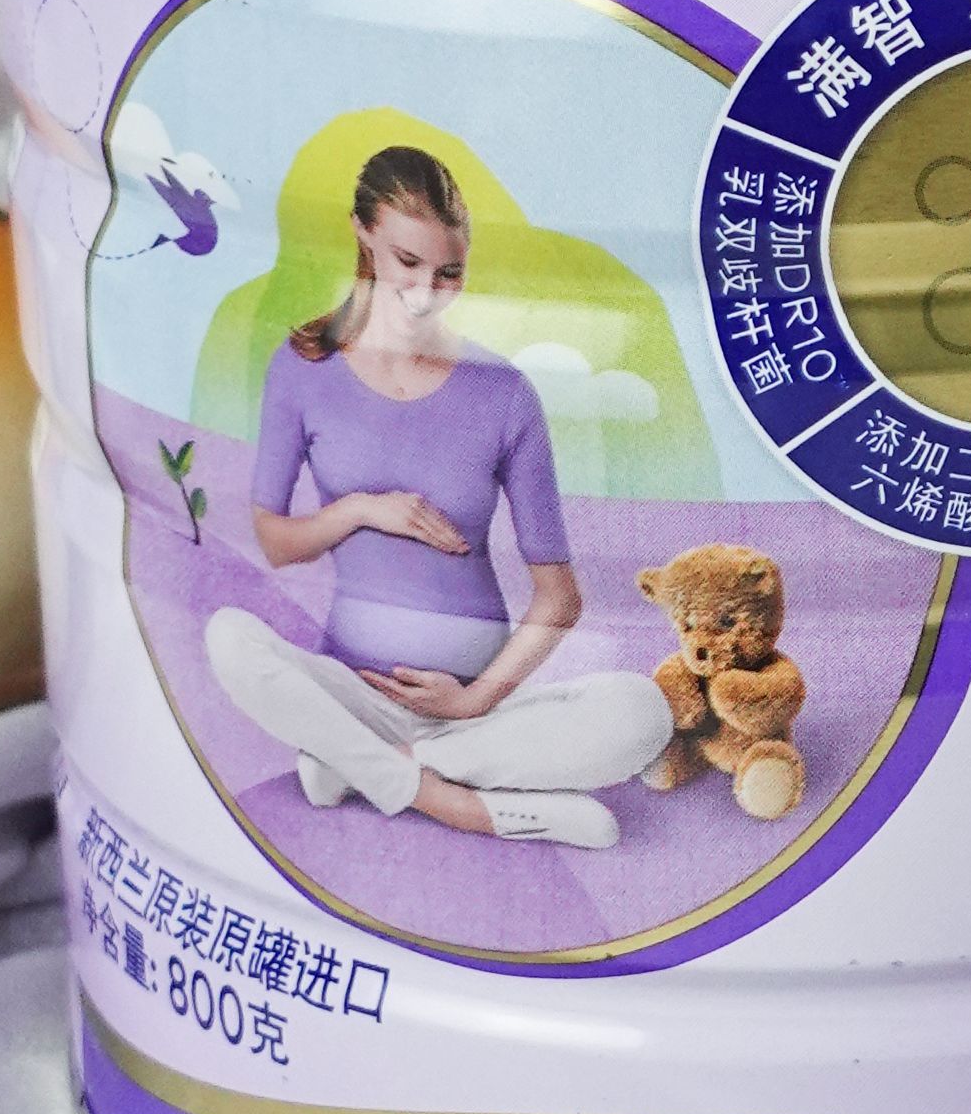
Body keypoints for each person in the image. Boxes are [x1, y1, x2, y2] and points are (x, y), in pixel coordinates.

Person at [198, 145, 669, 851]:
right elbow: (275, 541)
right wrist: (363, 509)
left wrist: (474, 699)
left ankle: (366, 769)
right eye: (407, 263)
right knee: (228, 637)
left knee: (641, 710)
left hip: (476, 711)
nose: (426, 290)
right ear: (363, 235)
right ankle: (457, 804)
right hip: (352, 693)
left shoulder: (503, 392)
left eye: (449, 272)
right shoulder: (304, 369)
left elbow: (559, 598)